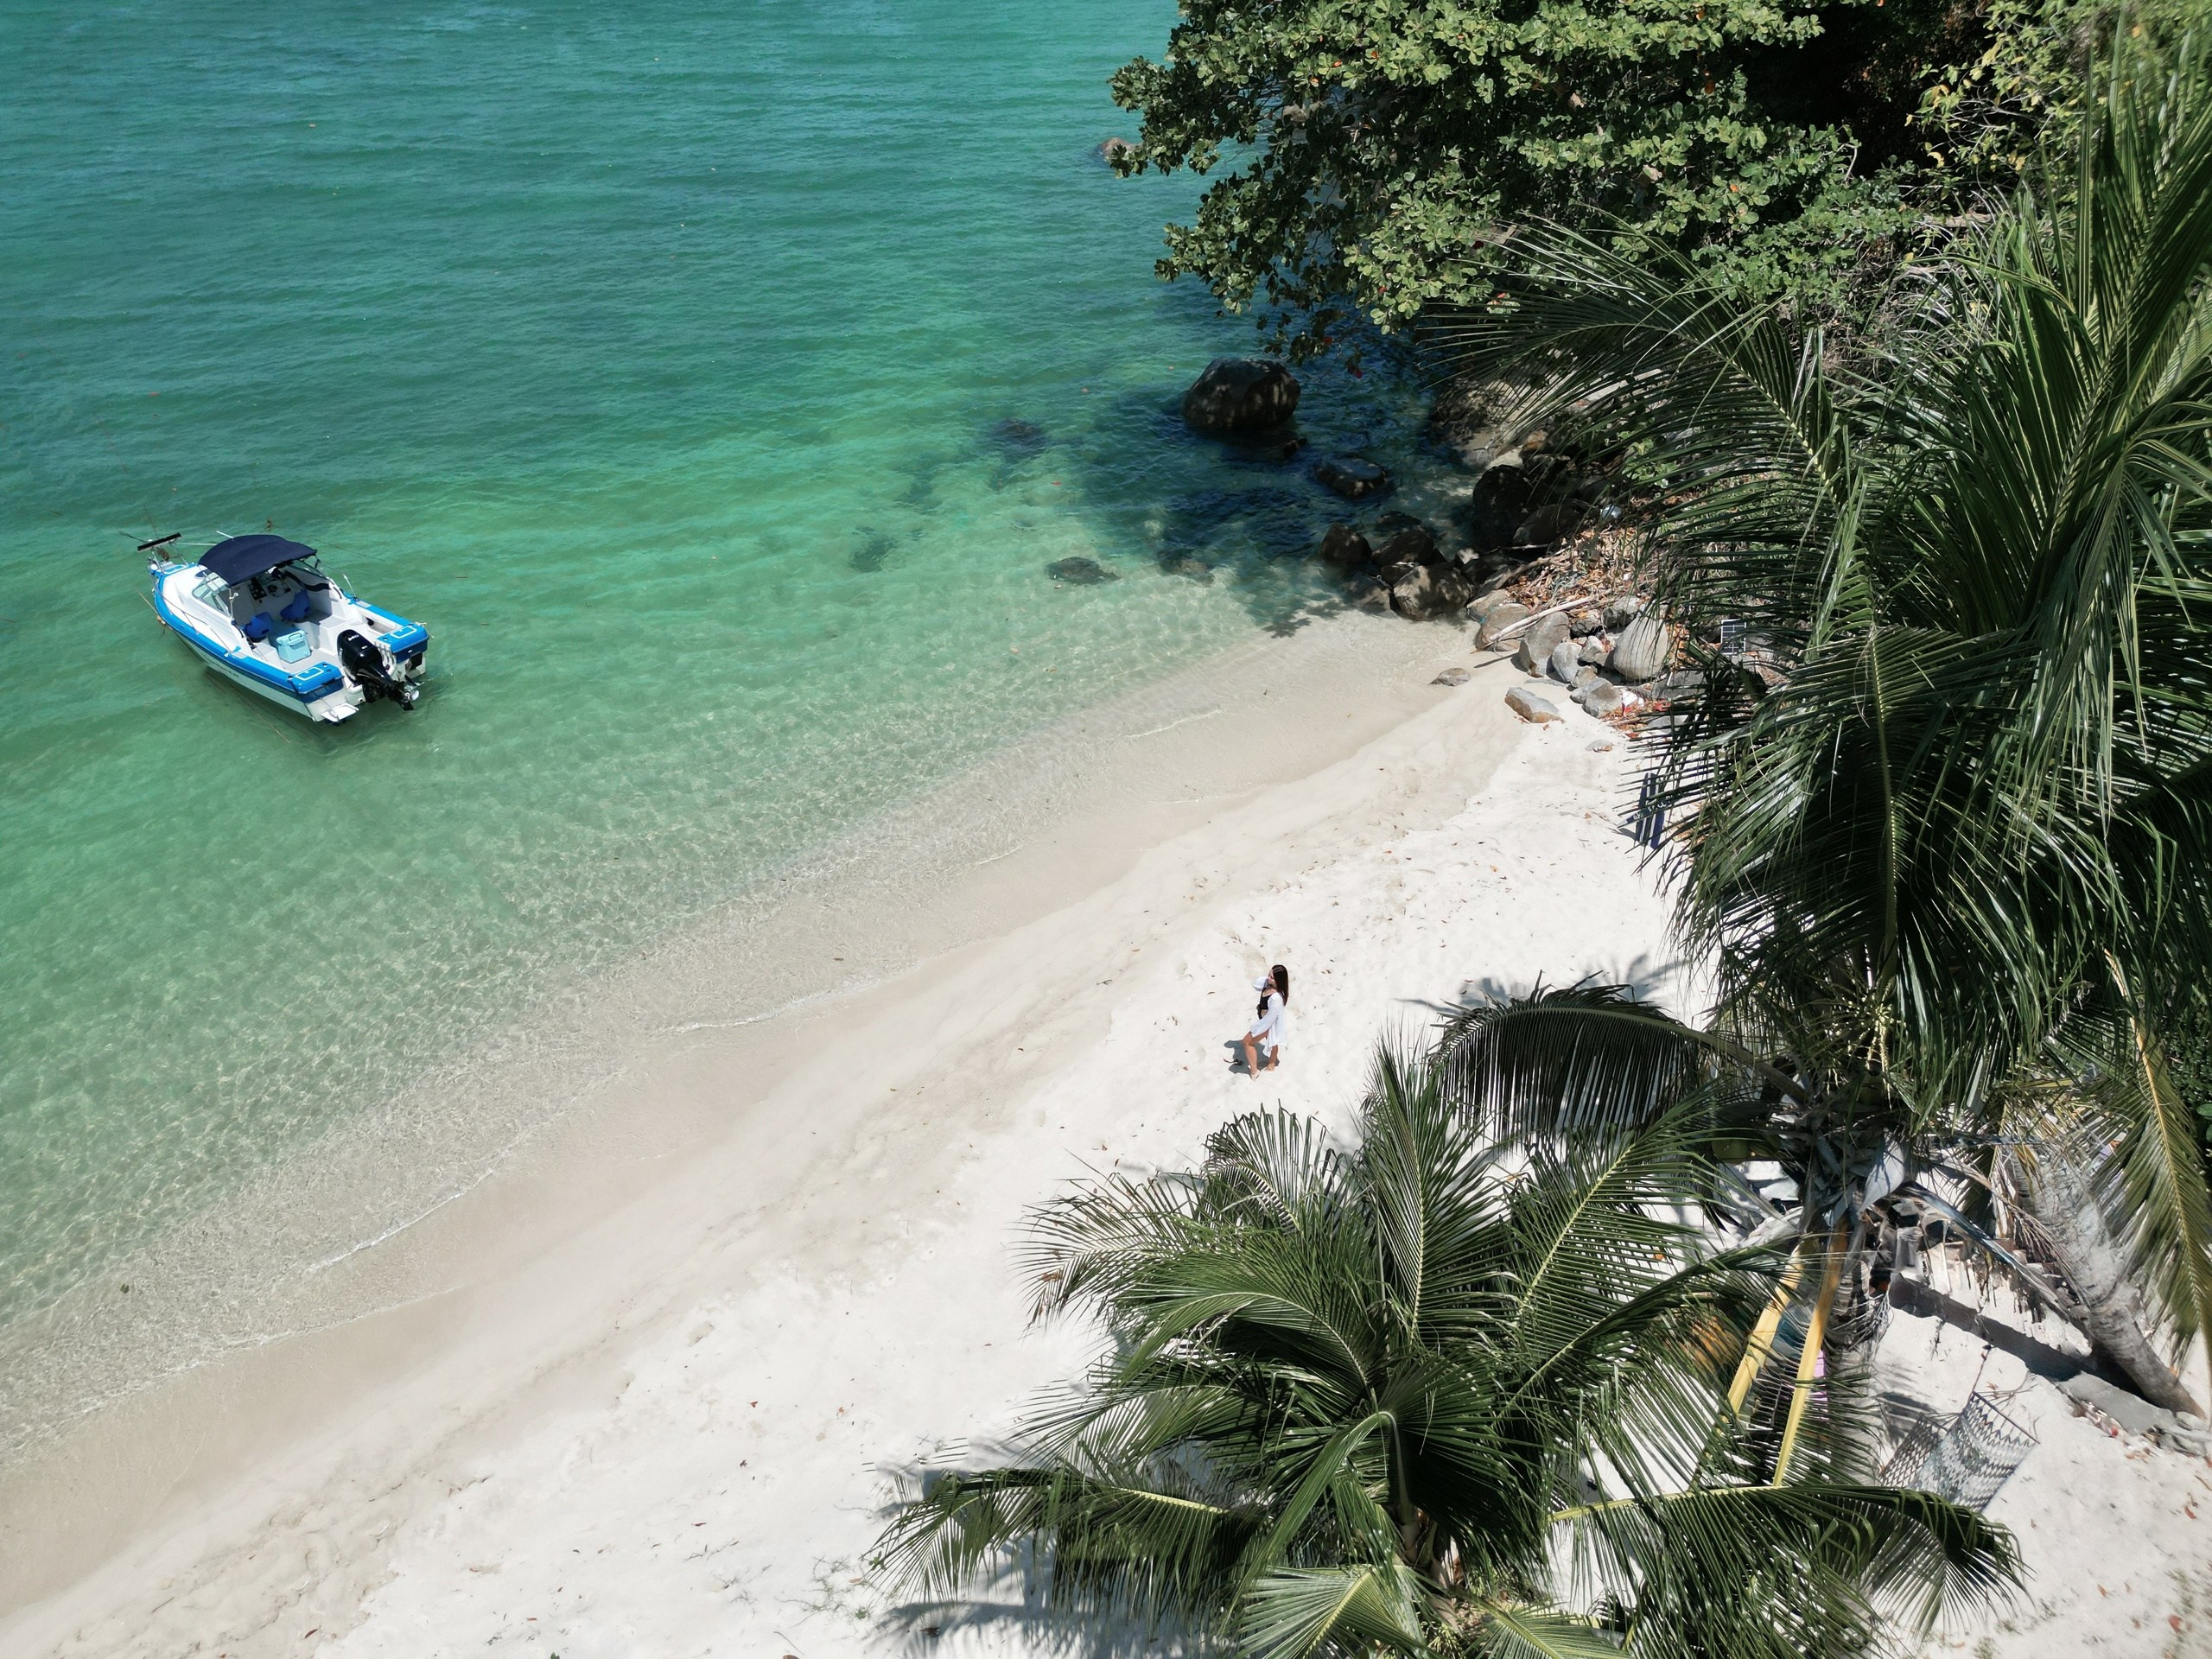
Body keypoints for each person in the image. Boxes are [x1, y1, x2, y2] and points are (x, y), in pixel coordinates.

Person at [1242, 963, 1289, 1077]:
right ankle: (1271, 1064)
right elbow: (1256, 983)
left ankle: (1254, 1071)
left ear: (1279, 980)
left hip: (1267, 1025)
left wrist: (1255, 1029)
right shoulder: (1267, 984)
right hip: (1263, 1020)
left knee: (1246, 1042)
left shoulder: (1276, 998)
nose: (1268, 978)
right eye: (1269, 975)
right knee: (1272, 1043)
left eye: (1272, 977)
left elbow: (1270, 1019)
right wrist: (1270, 979)